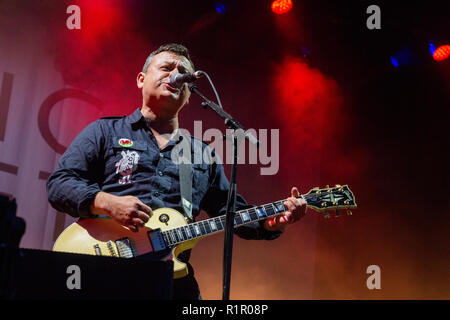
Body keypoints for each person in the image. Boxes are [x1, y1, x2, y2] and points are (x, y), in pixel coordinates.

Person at [46, 43, 307, 299]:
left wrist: (275, 221)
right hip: (103, 267)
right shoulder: (105, 131)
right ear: (141, 79)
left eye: (183, 72)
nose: (176, 75)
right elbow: (60, 184)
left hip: (168, 280)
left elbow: (233, 215)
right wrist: (106, 202)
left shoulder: (202, 155)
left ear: (189, 95)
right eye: (167, 68)